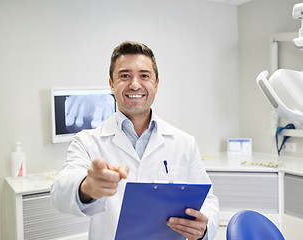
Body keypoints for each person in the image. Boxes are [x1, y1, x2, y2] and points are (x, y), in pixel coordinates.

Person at [50, 41, 219, 240]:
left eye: (144, 75)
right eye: (124, 76)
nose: (135, 84)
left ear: (156, 84)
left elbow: (207, 199)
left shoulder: (184, 142)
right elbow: (59, 192)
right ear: (112, 84)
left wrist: (203, 228)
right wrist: (86, 186)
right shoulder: (87, 142)